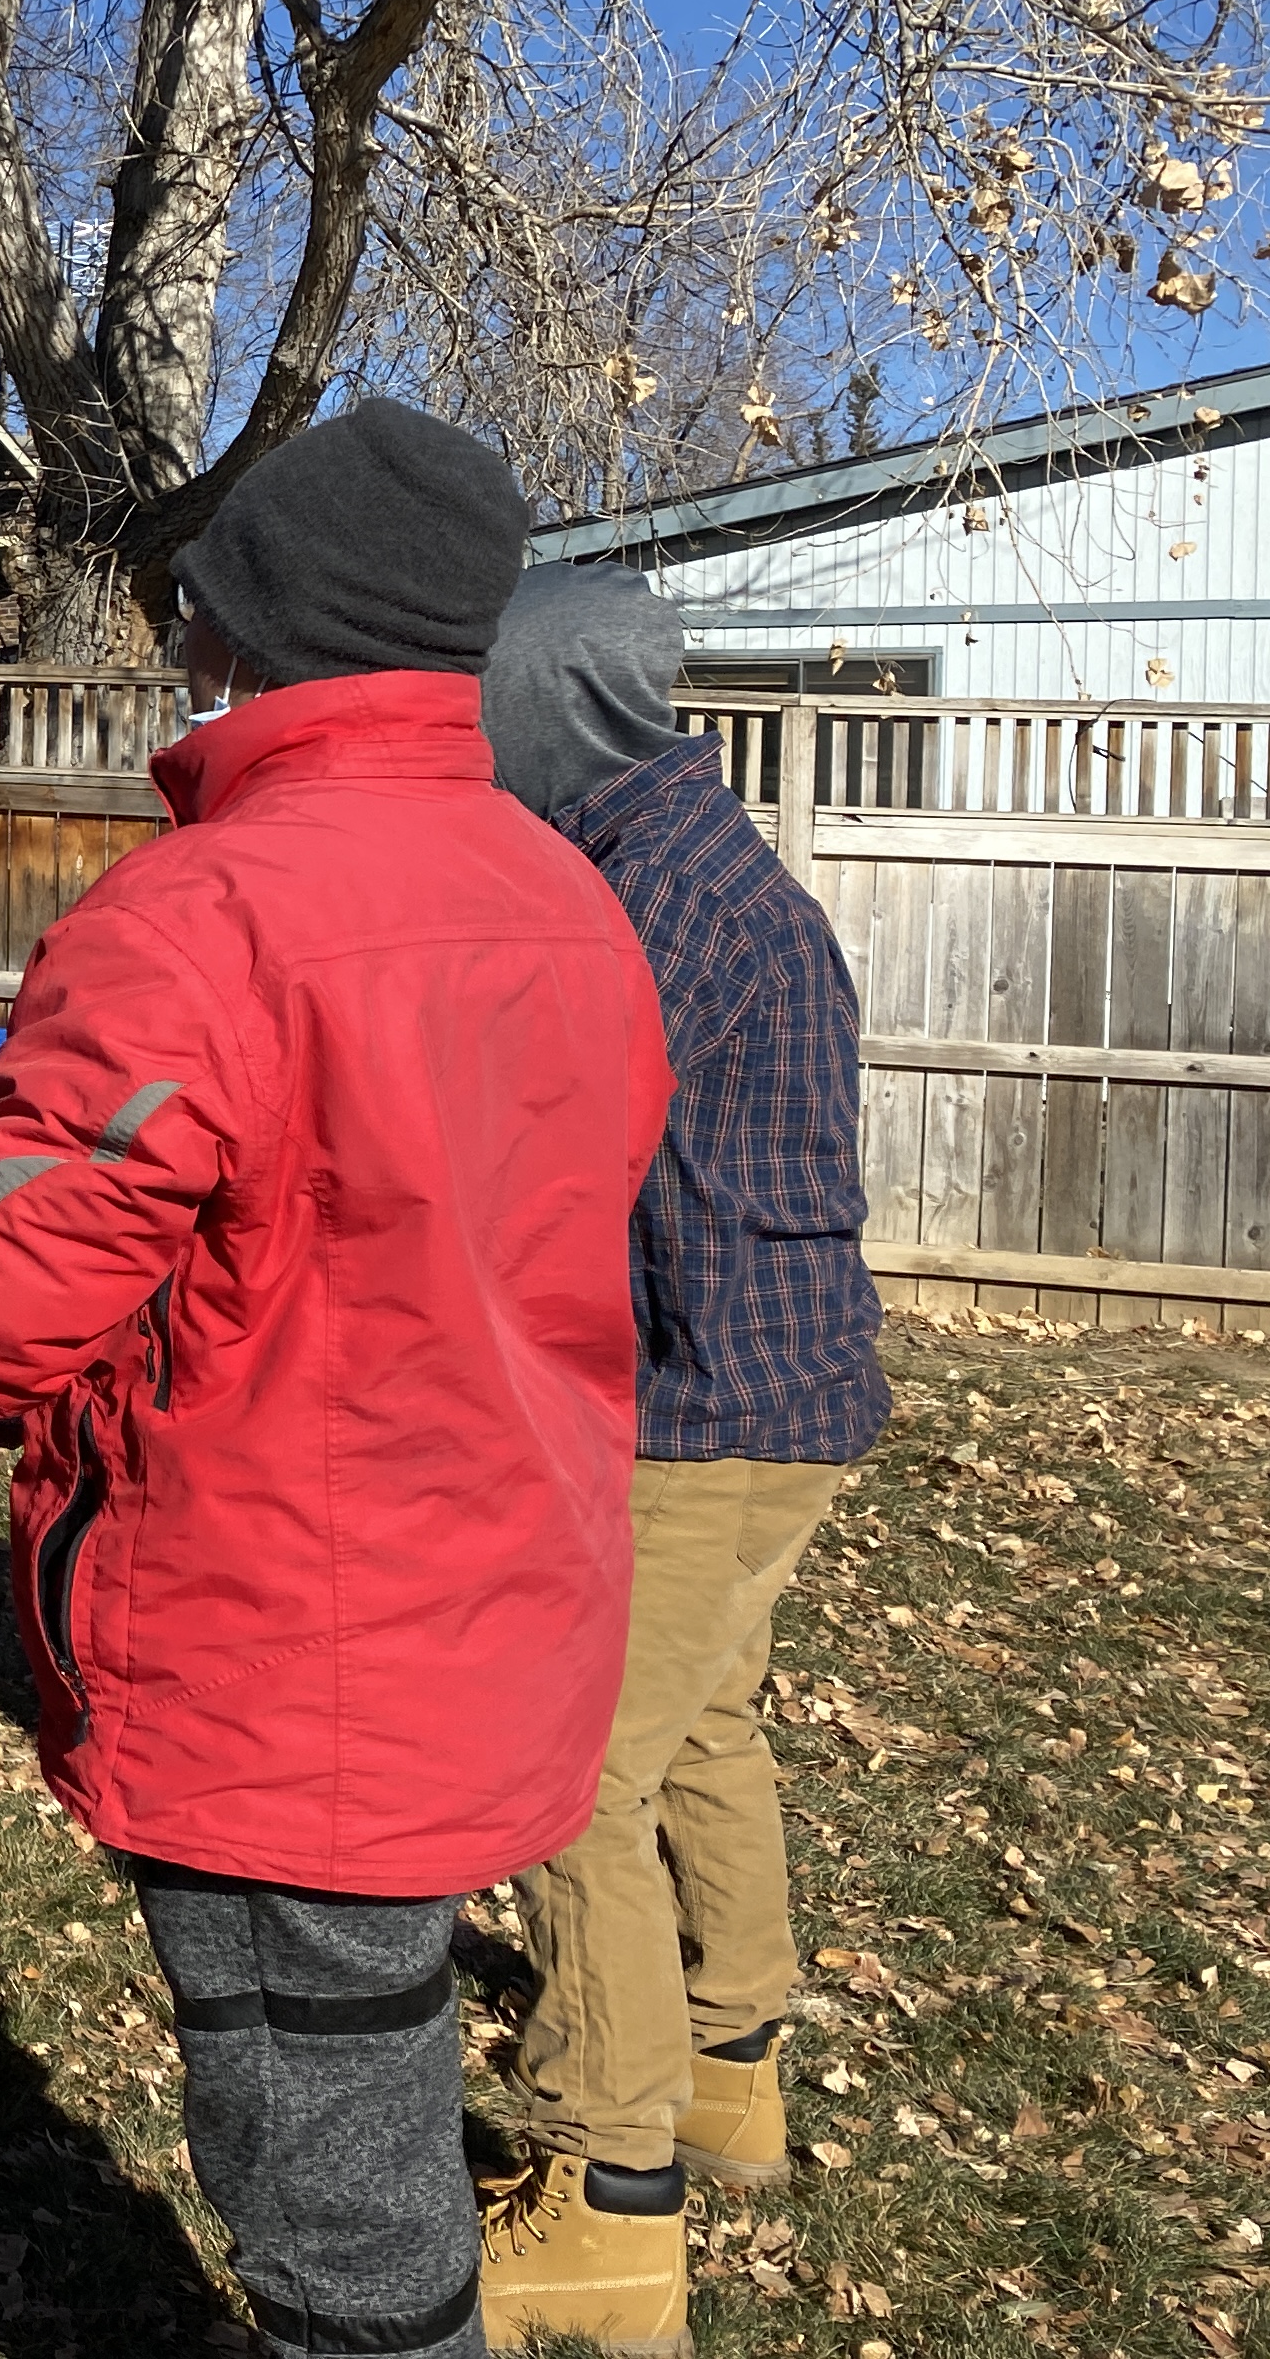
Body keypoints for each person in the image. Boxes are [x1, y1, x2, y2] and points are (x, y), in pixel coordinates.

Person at [0, 404, 673, 2359]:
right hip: (495, 1608)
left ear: (251, 631)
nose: (180, 640)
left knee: (333, 2232)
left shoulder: (209, 915)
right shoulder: (568, 901)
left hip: (285, 1659)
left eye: (199, 605)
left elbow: (3, 1276)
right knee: (375, 2106)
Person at [472, 563, 890, 2353]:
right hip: (789, 1388)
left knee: (575, 1775)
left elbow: (554, 1158)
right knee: (703, 1725)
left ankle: (606, 2186)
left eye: (481, 695)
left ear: (556, 702)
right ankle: (728, 2065)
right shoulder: (711, 864)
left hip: (705, 1403)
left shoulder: (641, 896)